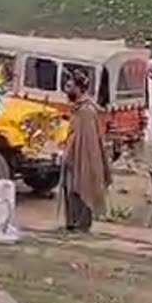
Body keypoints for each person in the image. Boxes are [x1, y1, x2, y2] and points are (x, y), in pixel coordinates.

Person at [61, 84, 111, 233]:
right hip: (72, 157)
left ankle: (81, 225)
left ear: (80, 88)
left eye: (71, 86)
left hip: (83, 156)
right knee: (70, 190)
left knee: (81, 186)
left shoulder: (87, 111)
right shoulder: (77, 109)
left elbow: (87, 139)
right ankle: (72, 223)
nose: (68, 88)